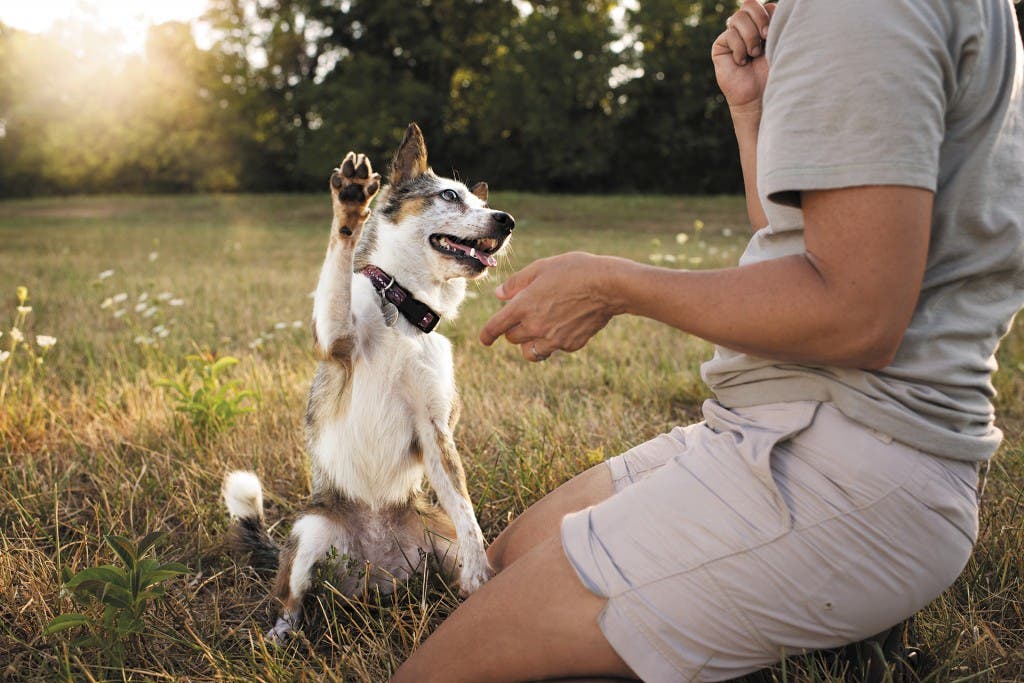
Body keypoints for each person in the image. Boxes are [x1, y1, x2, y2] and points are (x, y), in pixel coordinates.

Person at [392, 0, 1024, 680]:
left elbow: (858, 313)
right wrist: (752, 111)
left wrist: (615, 285)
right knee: (502, 563)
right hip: (781, 424)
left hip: (848, 461)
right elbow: (802, 239)